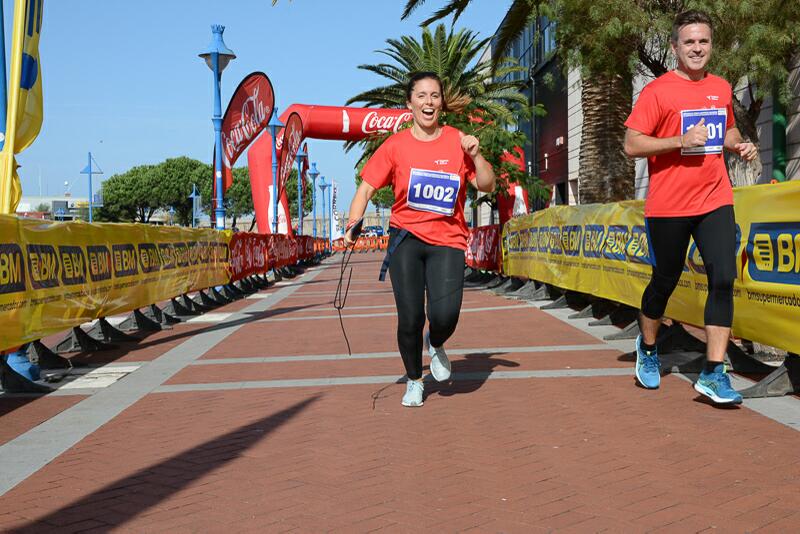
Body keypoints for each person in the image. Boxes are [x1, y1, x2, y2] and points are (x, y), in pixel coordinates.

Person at [623, 10, 758, 404]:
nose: (697, 49)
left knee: (722, 276)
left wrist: (737, 142)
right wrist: (679, 141)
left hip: (715, 197)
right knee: (664, 279)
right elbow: (632, 144)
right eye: (689, 42)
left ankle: (714, 372)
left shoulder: (720, 86)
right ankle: (647, 347)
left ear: (711, 45)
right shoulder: (658, 92)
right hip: (668, 205)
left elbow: (727, 127)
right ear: (674, 47)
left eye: (703, 42)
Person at [344, 71, 496, 407]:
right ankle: (414, 380)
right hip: (405, 241)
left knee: (446, 315)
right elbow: (366, 188)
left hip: (448, 240)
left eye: (435, 96)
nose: (429, 102)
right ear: (410, 102)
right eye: (422, 96)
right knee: (410, 317)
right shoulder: (395, 146)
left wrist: (477, 156)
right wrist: (354, 223)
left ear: (442, 102)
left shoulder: (459, 141)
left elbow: (487, 185)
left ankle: (436, 341)